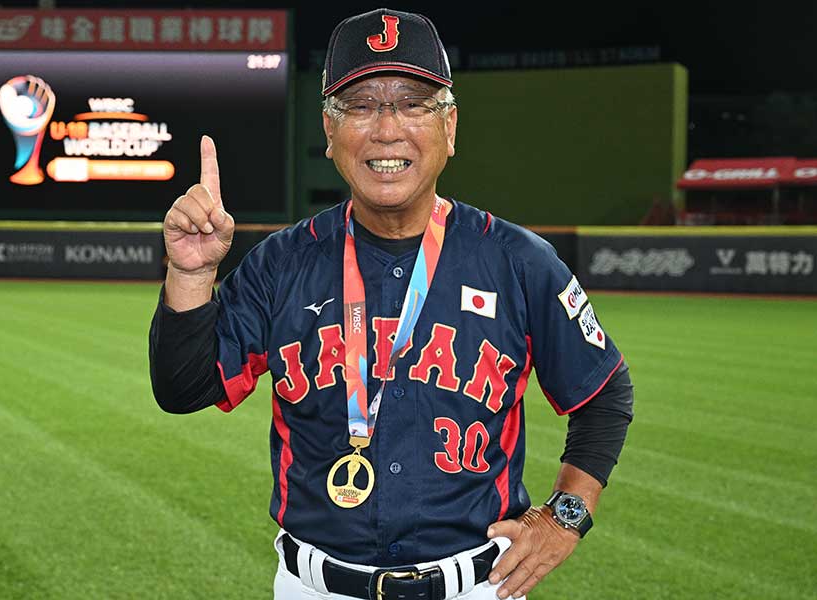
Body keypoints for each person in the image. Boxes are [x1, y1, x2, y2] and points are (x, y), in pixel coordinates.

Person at [149, 8, 633, 600]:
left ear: (449, 128)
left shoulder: (519, 262)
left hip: (476, 586)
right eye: (360, 105)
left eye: (413, 102)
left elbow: (604, 393)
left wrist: (566, 516)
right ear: (329, 134)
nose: (386, 129)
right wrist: (190, 274)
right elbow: (183, 390)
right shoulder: (280, 264)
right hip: (315, 586)